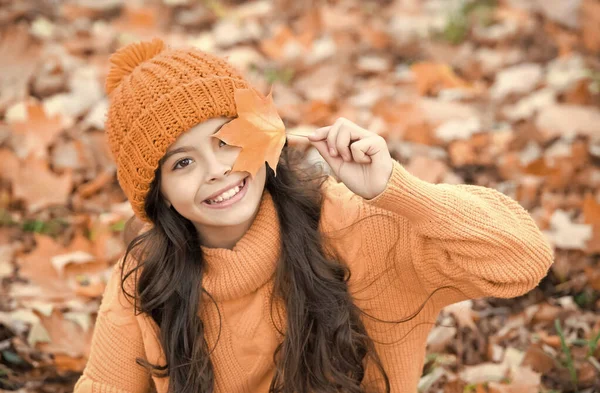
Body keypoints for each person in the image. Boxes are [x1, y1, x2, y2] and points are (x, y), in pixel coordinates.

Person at [73, 37, 554, 393]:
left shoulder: (352, 227)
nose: (217, 169)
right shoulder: (145, 281)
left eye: (226, 139)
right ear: (157, 195)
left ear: (264, 132)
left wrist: (396, 191)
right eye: (183, 162)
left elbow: (521, 259)